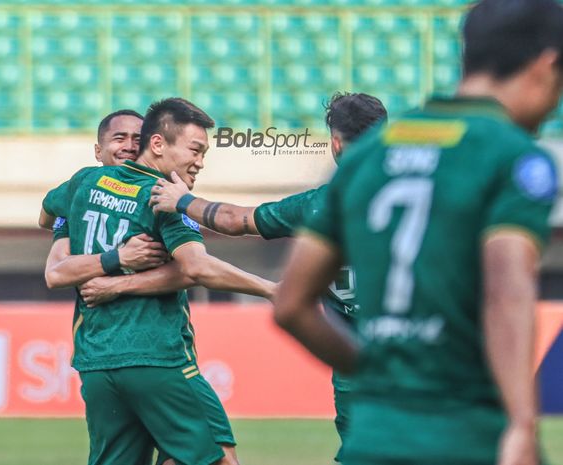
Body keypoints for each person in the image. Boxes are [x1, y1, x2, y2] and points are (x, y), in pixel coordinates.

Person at [274, 1, 563, 464]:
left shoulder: (370, 156)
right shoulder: (513, 157)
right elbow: (507, 294)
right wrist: (521, 426)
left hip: (375, 436)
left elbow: (290, 304)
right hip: (466, 435)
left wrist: (374, 375)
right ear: (546, 65)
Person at [109, 92, 386, 463]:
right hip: (428, 354)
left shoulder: (317, 206)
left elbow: (236, 221)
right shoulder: (432, 198)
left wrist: (183, 200)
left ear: (335, 144)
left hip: (356, 365)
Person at [44, 97, 275, 465]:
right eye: (195, 150)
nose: (199, 162)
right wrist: (271, 289)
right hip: (157, 355)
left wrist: (67, 228)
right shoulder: (167, 196)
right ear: (157, 145)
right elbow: (195, 268)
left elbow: (46, 212)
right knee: (217, 458)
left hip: (97, 363)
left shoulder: (85, 182)